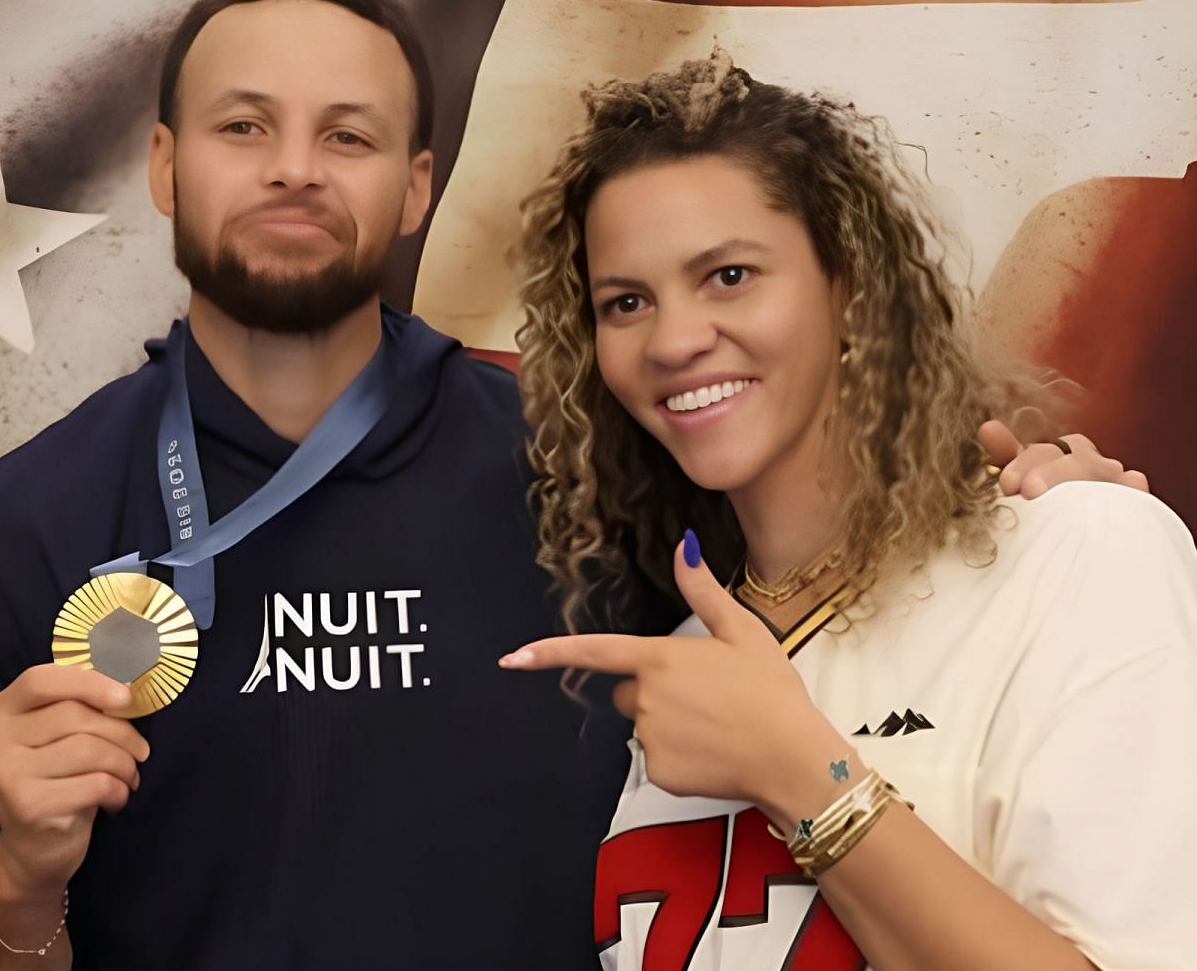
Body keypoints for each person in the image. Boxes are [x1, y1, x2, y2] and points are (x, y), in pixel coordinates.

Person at [0, 0, 1123, 970]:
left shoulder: (606, 465)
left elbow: (844, 524)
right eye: (243, 126)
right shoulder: (11, 529)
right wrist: (22, 876)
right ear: (163, 164)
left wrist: (1032, 505)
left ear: (419, 186)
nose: (295, 168)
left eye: (349, 134)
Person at [501, 51, 1196, 969]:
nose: (672, 340)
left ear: (853, 289)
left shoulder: (1080, 550)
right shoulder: (684, 662)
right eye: (626, 302)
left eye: (730, 276)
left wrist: (801, 774)